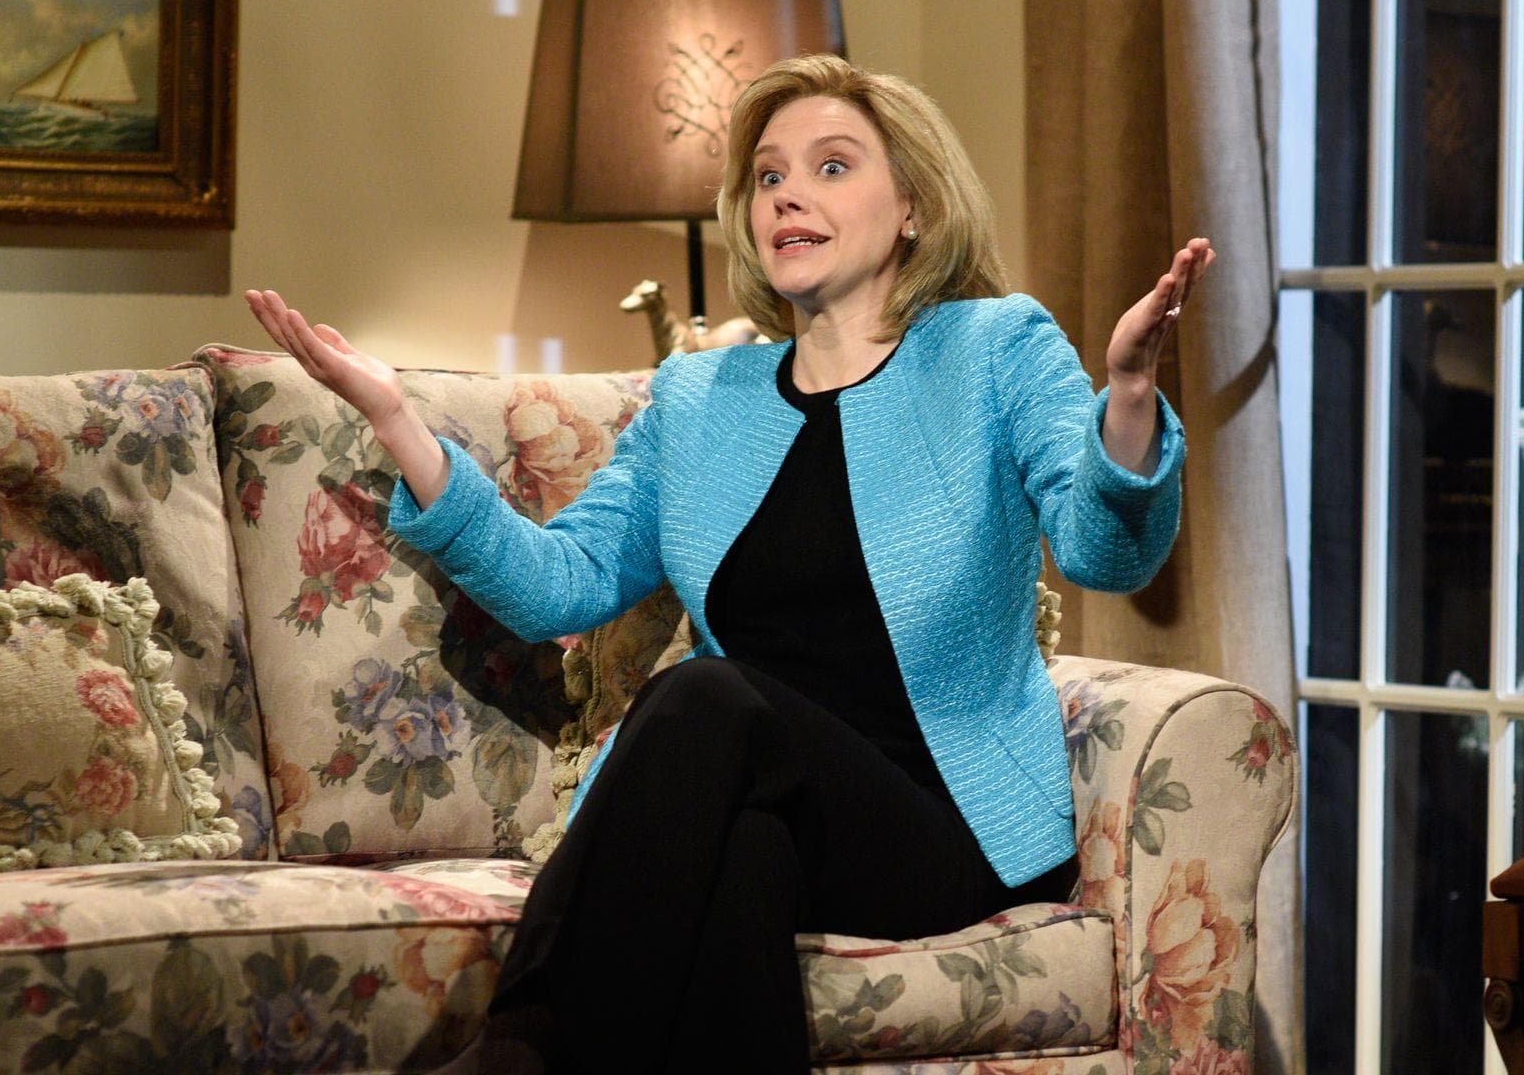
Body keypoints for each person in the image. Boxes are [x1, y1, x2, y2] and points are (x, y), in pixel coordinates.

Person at [245, 53, 1212, 1075]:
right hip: (769, 809)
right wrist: (398, 422)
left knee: (707, 695)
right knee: (741, 860)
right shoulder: (701, 399)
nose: (788, 193)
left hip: (939, 822)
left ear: (915, 208)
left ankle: (514, 1048)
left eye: (831, 166)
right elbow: (561, 584)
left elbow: (1109, 554)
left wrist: (1128, 396)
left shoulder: (995, 349)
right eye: (768, 176)